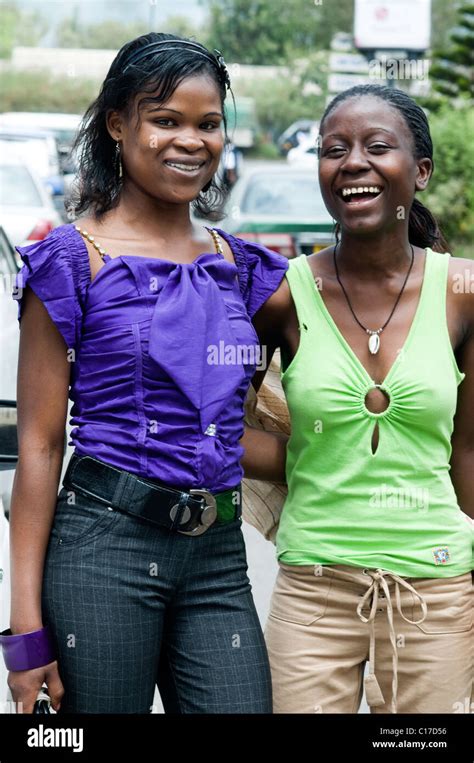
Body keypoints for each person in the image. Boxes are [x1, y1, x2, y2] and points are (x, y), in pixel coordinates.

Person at [0, 32, 289, 714]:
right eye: (165, 120)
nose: (190, 141)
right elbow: (40, 447)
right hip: (102, 548)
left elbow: (232, 423)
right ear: (117, 123)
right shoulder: (71, 262)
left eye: (207, 123)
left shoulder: (245, 268)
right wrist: (25, 632)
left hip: (217, 555)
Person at [247, 85, 473, 714]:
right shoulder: (282, 294)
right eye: (333, 150)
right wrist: (315, 455)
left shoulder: (462, 291)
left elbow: (468, 449)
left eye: (378, 147)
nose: (352, 162)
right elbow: (219, 428)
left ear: (420, 172)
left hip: (436, 587)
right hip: (312, 592)